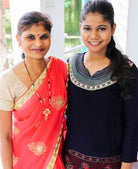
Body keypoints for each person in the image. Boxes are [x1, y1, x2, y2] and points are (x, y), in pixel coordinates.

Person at [63, 0, 138, 169]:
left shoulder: (128, 70)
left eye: (101, 28)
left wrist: (126, 166)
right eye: (87, 28)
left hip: (111, 163)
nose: (94, 35)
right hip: (70, 161)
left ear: (113, 28)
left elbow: (133, 125)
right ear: (80, 27)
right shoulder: (69, 66)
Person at [0, 11, 67, 169]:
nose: (38, 44)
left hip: (55, 157)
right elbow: (4, 136)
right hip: (23, 160)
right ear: (18, 39)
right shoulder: (8, 80)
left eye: (44, 36)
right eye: (31, 37)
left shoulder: (60, 69)